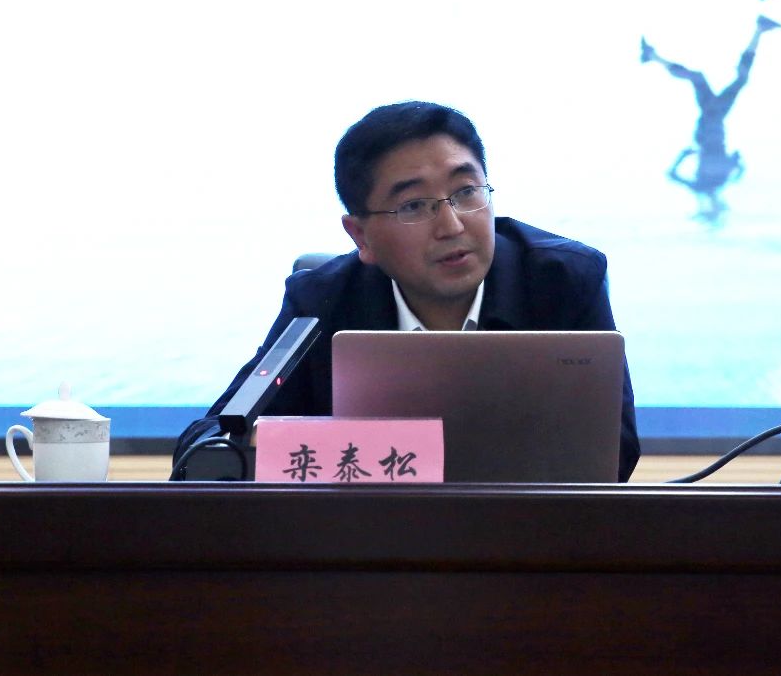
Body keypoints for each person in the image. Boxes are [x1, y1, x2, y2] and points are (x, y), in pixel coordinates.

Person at [173, 101, 640, 481]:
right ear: (361, 236)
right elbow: (208, 440)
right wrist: (262, 444)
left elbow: (614, 453)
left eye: (466, 192)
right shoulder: (321, 300)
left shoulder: (562, 279)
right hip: (369, 547)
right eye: (414, 205)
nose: (452, 225)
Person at [641, 16, 780, 224]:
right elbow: (737, 169)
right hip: (715, 124)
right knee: (716, 79)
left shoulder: (702, 186)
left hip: (708, 127)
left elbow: (672, 174)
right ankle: (652, 56)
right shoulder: (721, 182)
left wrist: (684, 156)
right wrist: (737, 161)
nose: (716, 204)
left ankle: (759, 29)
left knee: (715, 79)